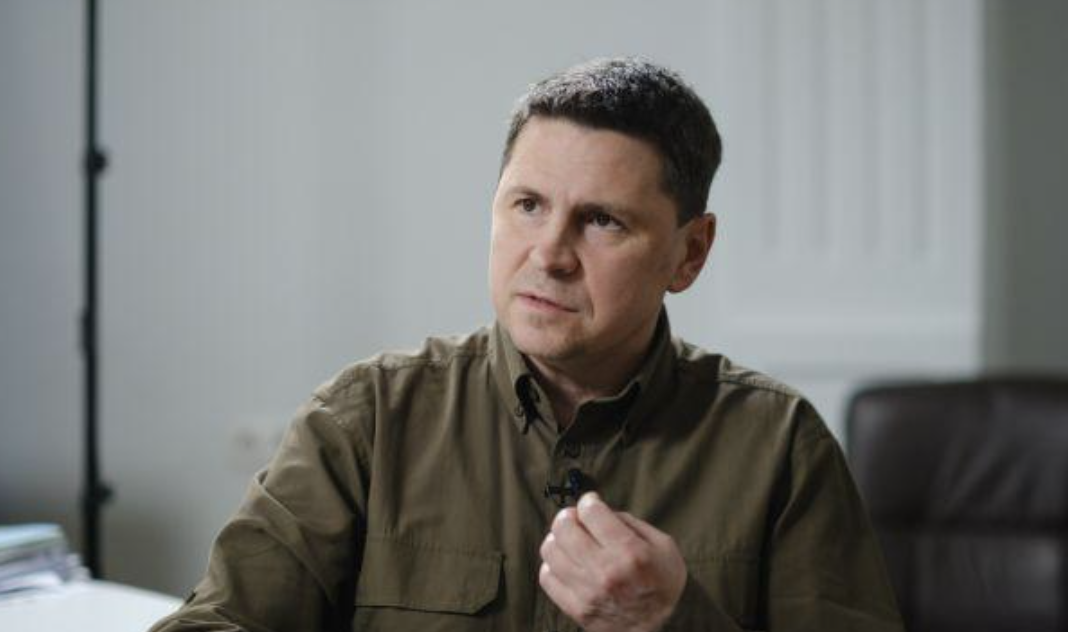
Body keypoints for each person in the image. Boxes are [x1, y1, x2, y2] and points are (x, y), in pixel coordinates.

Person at [149, 58, 904, 632]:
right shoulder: (366, 419)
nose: (548, 253)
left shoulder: (779, 447)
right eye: (528, 205)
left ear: (690, 253)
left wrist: (673, 622)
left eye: (602, 220)